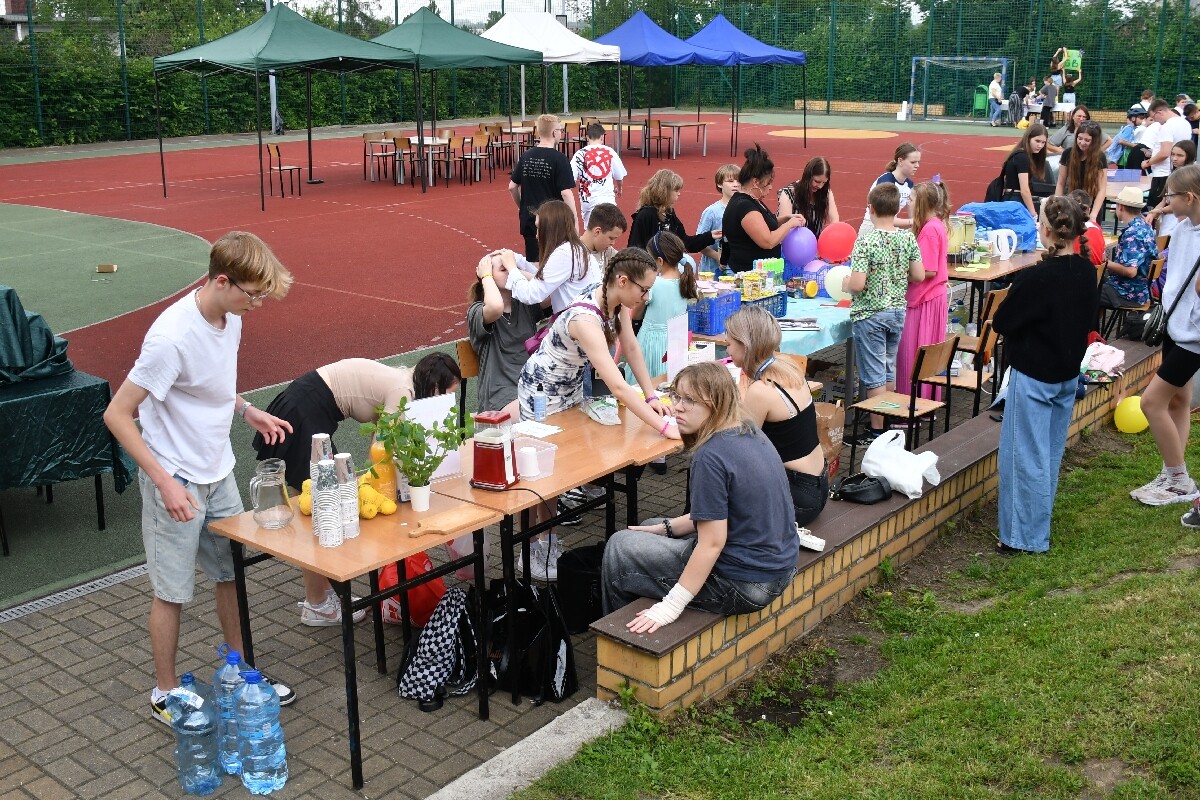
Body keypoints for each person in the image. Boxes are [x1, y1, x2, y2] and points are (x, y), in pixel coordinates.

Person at [102, 231, 298, 722]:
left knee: (230, 575)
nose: (256, 305)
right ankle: (165, 693)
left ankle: (239, 670)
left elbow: (208, 387)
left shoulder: (231, 317)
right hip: (176, 476)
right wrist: (164, 482)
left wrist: (246, 410)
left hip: (219, 470)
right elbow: (117, 415)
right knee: (172, 591)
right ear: (222, 281)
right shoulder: (170, 338)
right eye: (253, 294)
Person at [507, 248, 680, 579]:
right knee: (542, 472)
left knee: (556, 469)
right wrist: (662, 425)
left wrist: (650, 396)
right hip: (541, 392)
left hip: (567, 387)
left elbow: (631, 348)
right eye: (644, 290)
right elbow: (618, 387)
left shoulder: (615, 302)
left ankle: (547, 541)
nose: (646, 297)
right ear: (623, 281)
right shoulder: (586, 320)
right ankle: (530, 551)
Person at [251, 352, 460, 624]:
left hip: (303, 403)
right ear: (434, 386)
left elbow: (379, 442)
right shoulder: (403, 392)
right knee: (322, 509)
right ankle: (317, 603)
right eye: (447, 394)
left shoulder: (406, 378)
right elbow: (382, 448)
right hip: (303, 412)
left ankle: (322, 596)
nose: (446, 401)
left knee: (315, 510)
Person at [600, 361, 797, 634]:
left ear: (716, 403)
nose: (677, 407)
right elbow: (718, 513)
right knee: (649, 525)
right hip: (778, 568)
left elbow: (712, 543)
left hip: (745, 583)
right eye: (676, 396)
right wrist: (665, 528)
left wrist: (670, 607)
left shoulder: (711, 455)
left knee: (619, 547)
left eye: (689, 400)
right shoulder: (749, 430)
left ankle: (621, 636)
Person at [993, 196, 1099, 554]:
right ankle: (1037, 525)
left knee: (1024, 457)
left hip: (1036, 374)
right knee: (1048, 454)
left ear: (1048, 231)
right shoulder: (1086, 270)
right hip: (1067, 374)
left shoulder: (1037, 277)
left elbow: (1004, 320)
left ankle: (1023, 537)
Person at [1131, 164, 1200, 510]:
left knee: (1150, 402)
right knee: (1177, 401)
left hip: (1194, 336)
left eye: (1170, 196)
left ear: (1189, 197)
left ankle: (1179, 479)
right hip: (1174, 326)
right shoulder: (1184, 228)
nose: (1165, 201)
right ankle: (1172, 472)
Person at [724, 306, 828, 526]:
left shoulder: (761, 390)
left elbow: (738, 447)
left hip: (797, 498)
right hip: (817, 484)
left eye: (729, 344)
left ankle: (696, 536)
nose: (727, 350)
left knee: (711, 465)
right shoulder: (786, 366)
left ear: (745, 345)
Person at [845, 182, 925, 442]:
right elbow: (918, 275)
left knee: (874, 375)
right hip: (897, 310)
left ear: (871, 209)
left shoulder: (865, 241)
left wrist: (847, 284)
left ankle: (877, 431)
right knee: (888, 369)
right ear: (897, 208)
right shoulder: (907, 238)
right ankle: (887, 423)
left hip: (870, 313)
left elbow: (858, 284)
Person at [896, 181, 950, 398]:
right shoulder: (936, 225)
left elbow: (927, 270)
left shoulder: (929, 230)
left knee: (912, 354)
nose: (908, 203)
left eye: (911, 199)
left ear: (922, 203)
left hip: (924, 299)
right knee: (927, 355)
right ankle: (925, 400)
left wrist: (900, 273)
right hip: (932, 298)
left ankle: (913, 402)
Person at [467, 253, 540, 413]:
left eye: (511, 266)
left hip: (532, 386)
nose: (509, 271)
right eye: (503, 269)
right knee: (538, 412)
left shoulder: (524, 303)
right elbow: (496, 307)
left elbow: (548, 291)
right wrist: (486, 276)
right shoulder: (477, 310)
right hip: (500, 395)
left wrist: (516, 270)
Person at [626, 231, 696, 389]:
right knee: (671, 383)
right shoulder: (686, 280)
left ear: (659, 260)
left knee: (644, 383)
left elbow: (636, 313)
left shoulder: (655, 284)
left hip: (652, 342)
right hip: (676, 339)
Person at [502, 199, 596, 313]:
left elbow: (530, 294)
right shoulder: (575, 248)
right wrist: (515, 258)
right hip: (585, 316)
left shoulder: (564, 254)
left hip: (576, 319)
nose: (537, 235)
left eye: (539, 228)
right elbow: (544, 275)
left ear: (549, 229)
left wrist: (512, 268)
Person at [722, 144, 804, 272]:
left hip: (758, 274)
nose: (770, 187)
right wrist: (789, 225)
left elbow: (765, 224)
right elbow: (768, 241)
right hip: (748, 275)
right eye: (768, 183)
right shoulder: (745, 206)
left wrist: (787, 218)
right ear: (756, 182)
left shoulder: (752, 201)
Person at [509, 114, 576, 264]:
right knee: (554, 264)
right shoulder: (560, 159)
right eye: (560, 130)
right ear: (554, 133)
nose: (561, 133)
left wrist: (522, 206)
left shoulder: (526, 156)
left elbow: (512, 186)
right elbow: (566, 193)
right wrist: (574, 221)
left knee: (534, 264)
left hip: (530, 218)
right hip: (553, 221)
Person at [628, 168, 719, 255]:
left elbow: (684, 242)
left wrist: (710, 236)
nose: (679, 194)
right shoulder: (645, 215)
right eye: (676, 190)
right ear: (664, 191)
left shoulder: (669, 213)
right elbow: (635, 249)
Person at [1100, 186, 1158, 319]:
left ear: (1120, 207)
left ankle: (1090, 330)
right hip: (1142, 289)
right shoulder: (1145, 226)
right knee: (1096, 283)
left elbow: (1131, 271)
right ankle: (1094, 329)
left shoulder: (1132, 233)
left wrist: (1106, 262)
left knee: (1087, 290)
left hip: (1129, 292)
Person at [858, 143, 921, 237]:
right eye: (913, 162)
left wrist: (917, 223)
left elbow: (913, 210)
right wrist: (912, 222)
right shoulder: (886, 183)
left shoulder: (909, 185)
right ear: (900, 161)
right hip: (873, 228)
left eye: (918, 162)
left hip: (889, 228)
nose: (917, 165)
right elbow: (884, 218)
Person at [571, 121, 626, 228]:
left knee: (590, 229)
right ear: (602, 137)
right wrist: (619, 189)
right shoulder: (610, 152)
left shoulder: (579, 154)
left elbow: (571, 179)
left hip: (588, 199)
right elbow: (619, 177)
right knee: (608, 229)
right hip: (607, 198)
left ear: (587, 137)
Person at [1146, 99, 1194, 211]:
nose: (1155, 121)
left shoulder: (1167, 126)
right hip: (1178, 171)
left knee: (1156, 208)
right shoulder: (1185, 123)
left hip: (1163, 173)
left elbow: (1164, 152)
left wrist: (1148, 163)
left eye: (1153, 117)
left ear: (1159, 112)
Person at [1055, 121, 1108, 221]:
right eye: (1079, 138)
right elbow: (1060, 183)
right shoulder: (1068, 153)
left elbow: (1102, 189)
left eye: (1087, 140)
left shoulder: (1100, 157)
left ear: (1095, 141)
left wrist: (1093, 214)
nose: (1082, 143)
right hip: (1071, 203)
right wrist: (1058, 205)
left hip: (1092, 206)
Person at [778, 156, 840, 238]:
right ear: (808, 176)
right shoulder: (788, 193)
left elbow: (835, 221)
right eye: (817, 181)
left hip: (815, 243)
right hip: (792, 242)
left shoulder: (826, 192)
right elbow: (782, 226)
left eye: (824, 183)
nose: (820, 186)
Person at [1145, 140, 1196, 236]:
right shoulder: (1172, 175)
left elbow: (1182, 204)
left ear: (1189, 156)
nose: (1174, 158)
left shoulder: (1190, 178)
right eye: (1172, 154)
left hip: (1180, 221)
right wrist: (1152, 214)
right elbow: (1165, 200)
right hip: (1168, 221)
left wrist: (1160, 210)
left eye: (1180, 155)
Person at [697, 163, 740, 275]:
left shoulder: (745, 210)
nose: (736, 184)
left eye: (739, 181)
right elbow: (699, 242)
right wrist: (717, 256)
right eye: (730, 181)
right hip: (712, 271)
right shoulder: (712, 212)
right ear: (720, 184)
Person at [1003, 122, 1052, 220]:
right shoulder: (1022, 157)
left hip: (1011, 198)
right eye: (1037, 141)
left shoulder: (1019, 155)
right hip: (1015, 199)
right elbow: (1024, 190)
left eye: (1043, 142)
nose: (1040, 145)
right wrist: (1033, 214)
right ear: (1028, 138)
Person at [1047, 106, 1111, 155]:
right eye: (1079, 116)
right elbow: (1048, 144)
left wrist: (1097, 153)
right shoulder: (1066, 129)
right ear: (1073, 116)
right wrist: (1063, 151)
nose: (1081, 119)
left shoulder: (1092, 129)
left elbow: (1109, 141)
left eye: (1084, 117)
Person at [1066, 189, 1106, 267]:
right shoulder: (1097, 228)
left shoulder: (1069, 231)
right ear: (1089, 210)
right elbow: (1103, 258)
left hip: (1076, 272)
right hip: (1096, 273)